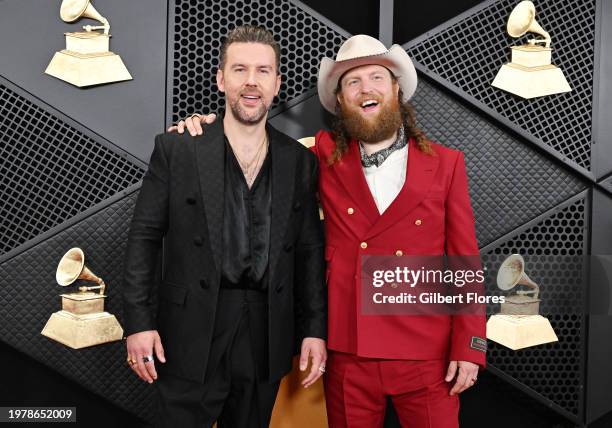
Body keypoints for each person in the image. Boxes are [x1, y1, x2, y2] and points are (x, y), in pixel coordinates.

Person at [171, 34, 486, 428]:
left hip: (426, 355)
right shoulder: (319, 156)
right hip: (349, 354)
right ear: (340, 101)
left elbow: (464, 261)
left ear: (396, 90)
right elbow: (252, 139)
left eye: (376, 77)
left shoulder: (446, 163)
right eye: (353, 82)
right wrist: (205, 127)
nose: (365, 88)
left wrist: (470, 346)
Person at [121, 25, 327, 428]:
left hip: (267, 331)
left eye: (264, 71)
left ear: (277, 83)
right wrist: (139, 323)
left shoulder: (299, 161)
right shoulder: (178, 148)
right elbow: (143, 239)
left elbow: (309, 251)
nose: (252, 81)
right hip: (189, 330)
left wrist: (314, 328)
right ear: (221, 79)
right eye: (240, 69)